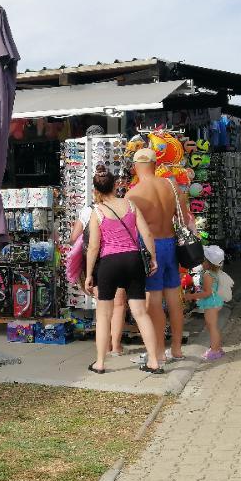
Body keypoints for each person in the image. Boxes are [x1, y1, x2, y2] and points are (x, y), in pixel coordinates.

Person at [83, 171, 163, 375]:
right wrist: (153, 258)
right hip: (133, 260)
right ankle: (154, 361)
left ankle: (100, 362)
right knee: (140, 313)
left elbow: (94, 246)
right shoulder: (131, 205)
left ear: (95, 190)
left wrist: (89, 273)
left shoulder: (97, 211)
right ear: (114, 185)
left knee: (104, 315)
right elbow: (146, 233)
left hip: (109, 263)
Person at [127, 147, 193, 365]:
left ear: (135, 167)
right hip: (172, 244)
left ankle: (158, 351)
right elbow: (184, 218)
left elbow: (130, 231)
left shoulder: (134, 194)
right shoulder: (171, 185)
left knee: (153, 301)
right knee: (174, 298)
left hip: (151, 248)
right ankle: (177, 349)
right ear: (155, 165)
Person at [69, 163, 126, 355]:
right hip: (120, 257)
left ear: (95, 190)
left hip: (97, 262)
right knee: (119, 303)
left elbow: (73, 238)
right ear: (114, 186)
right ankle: (116, 346)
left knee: (104, 305)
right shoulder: (124, 206)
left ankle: (104, 347)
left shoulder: (88, 211)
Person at [184, 245, 226, 361]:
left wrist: (191, 296)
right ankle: (217, 347)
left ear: (208, 262)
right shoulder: (213, 272)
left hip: (211, 302)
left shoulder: (207, 275)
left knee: (212, 327)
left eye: (202, 259)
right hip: (213, 301)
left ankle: (215, 350)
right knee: (211, 326)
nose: (200, 262)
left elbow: (207, 293)